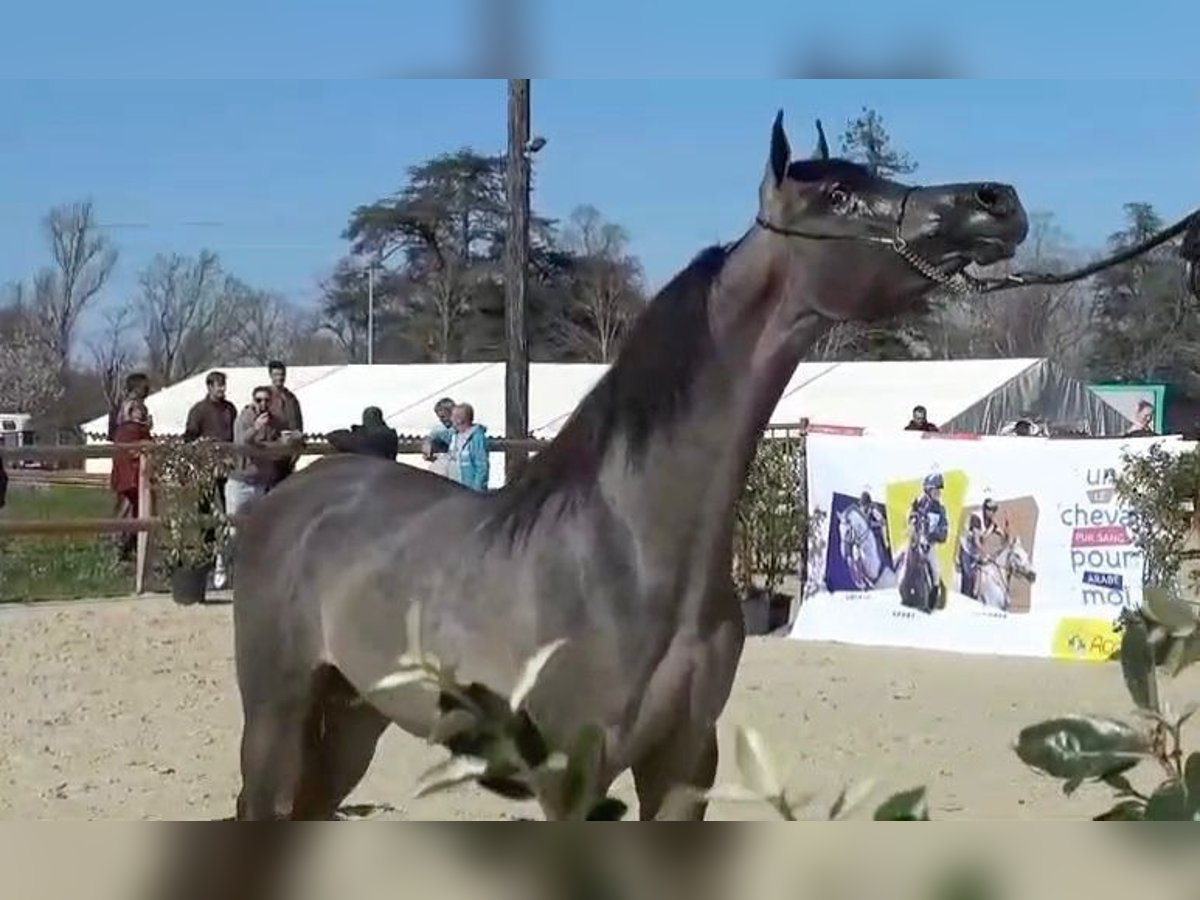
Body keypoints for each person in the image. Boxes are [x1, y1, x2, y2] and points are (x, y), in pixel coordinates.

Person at [223, 386, 283, 584]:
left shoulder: (274, 422)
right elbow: (240, 442)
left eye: (266, 400)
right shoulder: (244, 418)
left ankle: (250, 574)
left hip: (260, 482)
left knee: (257, 529)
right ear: (253, 401)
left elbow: (277, 445)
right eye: (259, 400)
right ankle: (222, 569)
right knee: (233, 529)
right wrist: (255, 428)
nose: (263, 404)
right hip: (240, 481)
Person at [183, 371, 238, 587]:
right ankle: (205, 560)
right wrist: (203, 453)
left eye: (223, 385)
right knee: (204, 514)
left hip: (226, 467)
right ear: (209, 387)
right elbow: (189, 437)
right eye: (218, 385)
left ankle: (224, 561)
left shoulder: (230, 409)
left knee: (226, 512)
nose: (222, 389)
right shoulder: (199, 411)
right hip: (206, 468)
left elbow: (235, 436)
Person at [109, 397, 153, 563]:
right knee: (134, 513)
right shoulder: (135, 430)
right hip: (134, 476)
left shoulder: (121, 430)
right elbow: (143, 448)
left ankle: (122, 545)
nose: (141, 413)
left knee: (125, 511)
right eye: (138, 410)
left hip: (124, 476)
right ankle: (126, 546)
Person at [908, 472, 950, 601]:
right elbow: (910, 520)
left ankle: (933, 596)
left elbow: (944, 531)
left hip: (930, 544)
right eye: (936, 490)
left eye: (939, 490)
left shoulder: (941, 510)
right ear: (928, 490)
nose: (938, 493)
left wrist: (935, 535)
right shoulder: (918, 504)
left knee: (936, 570)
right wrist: (912, 518)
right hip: (915, 543)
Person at [266, 360, 304, 486]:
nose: (280, 378)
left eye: (282, 374)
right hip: (270, 452)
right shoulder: (265, 397)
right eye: (276, 374)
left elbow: (298, 423)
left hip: (288, 452)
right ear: (270, 376)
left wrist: (297, 434)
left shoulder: (290, 398)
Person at [327, 407, 399, 461]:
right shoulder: (391, 435)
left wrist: (356, 429)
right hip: (385, 472)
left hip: (368, 473)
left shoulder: (362, 438)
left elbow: (332, 437)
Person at [447, 402, 489, 492]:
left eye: (453, 416)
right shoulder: (454, 434)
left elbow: (482, 466)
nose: (450, 419)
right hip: (454, 488)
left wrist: (476, 490)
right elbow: (437, 432)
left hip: (469, 489)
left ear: (460, 420)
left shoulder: (476, 437)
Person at [422, 397, 455, 462]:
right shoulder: (441, 430)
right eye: (439, 417)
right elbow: (429, 438)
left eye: (443, 417)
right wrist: (427, 446)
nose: (441, 420)